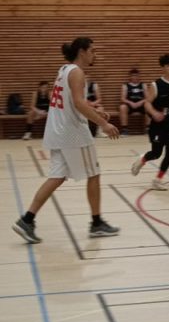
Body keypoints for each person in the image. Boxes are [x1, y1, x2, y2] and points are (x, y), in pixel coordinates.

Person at [12, 37, 120, 244]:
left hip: (57, 130)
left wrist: (95, 110)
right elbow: (78, 103)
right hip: (73, 133)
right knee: (94, 173)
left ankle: (27, 220)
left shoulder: (64, 69)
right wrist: (103, 124)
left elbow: (74, 100)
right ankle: (97, 223)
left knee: (57, 176)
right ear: (82, 52)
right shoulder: (77, 72)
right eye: (92, 50)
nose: (95, 55)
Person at [130, 54, 169, 191]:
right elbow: (147, 103)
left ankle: (157, 180)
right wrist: (154, 113)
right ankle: (142, 159)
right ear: (163, 68)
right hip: (159, 125)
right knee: (156, 153)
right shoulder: (156, 85)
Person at [119, 68, 147, 135]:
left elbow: (148, 98)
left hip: (141, 105)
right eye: (133, 75)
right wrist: (131, 103)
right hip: (130, 106)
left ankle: (147, 128)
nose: (135, 77)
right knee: (122, 107)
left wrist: (140, 102)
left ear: (139, 76)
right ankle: (124, 129)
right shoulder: (125, 86)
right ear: (130, 77)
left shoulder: (143, 85)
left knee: (148, 105)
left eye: (136, 75)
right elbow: (122, 98)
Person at [84, 71, 107, 137]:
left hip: (93, 105)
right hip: (83, 106)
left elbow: (99, 99)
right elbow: (80, 100)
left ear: (90, 78)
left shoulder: (94, 85)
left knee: (101, 109)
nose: (86, 79)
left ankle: (99, 131)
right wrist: (89, 104)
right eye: (85, 78)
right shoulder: (79, 86)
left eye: (87, 78)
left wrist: (93, 104)